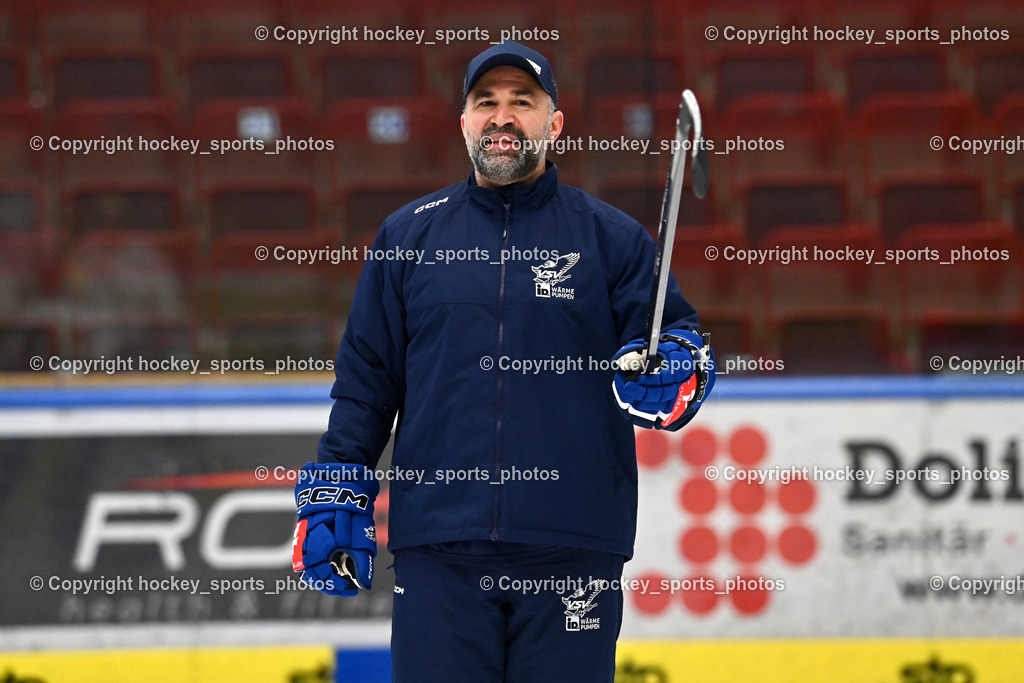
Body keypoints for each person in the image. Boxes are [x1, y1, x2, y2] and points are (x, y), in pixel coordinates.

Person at [291, 41, 715, 682]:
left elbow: (677, 345)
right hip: (440, 548)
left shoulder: (612, 239)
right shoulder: (407, 238)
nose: (502, 116)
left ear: (555, 123)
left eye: (523, 101)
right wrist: (336, 491)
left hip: (571, 548)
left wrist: (673, 372)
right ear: (463, 122)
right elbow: (365, 386)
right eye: (485, 102)